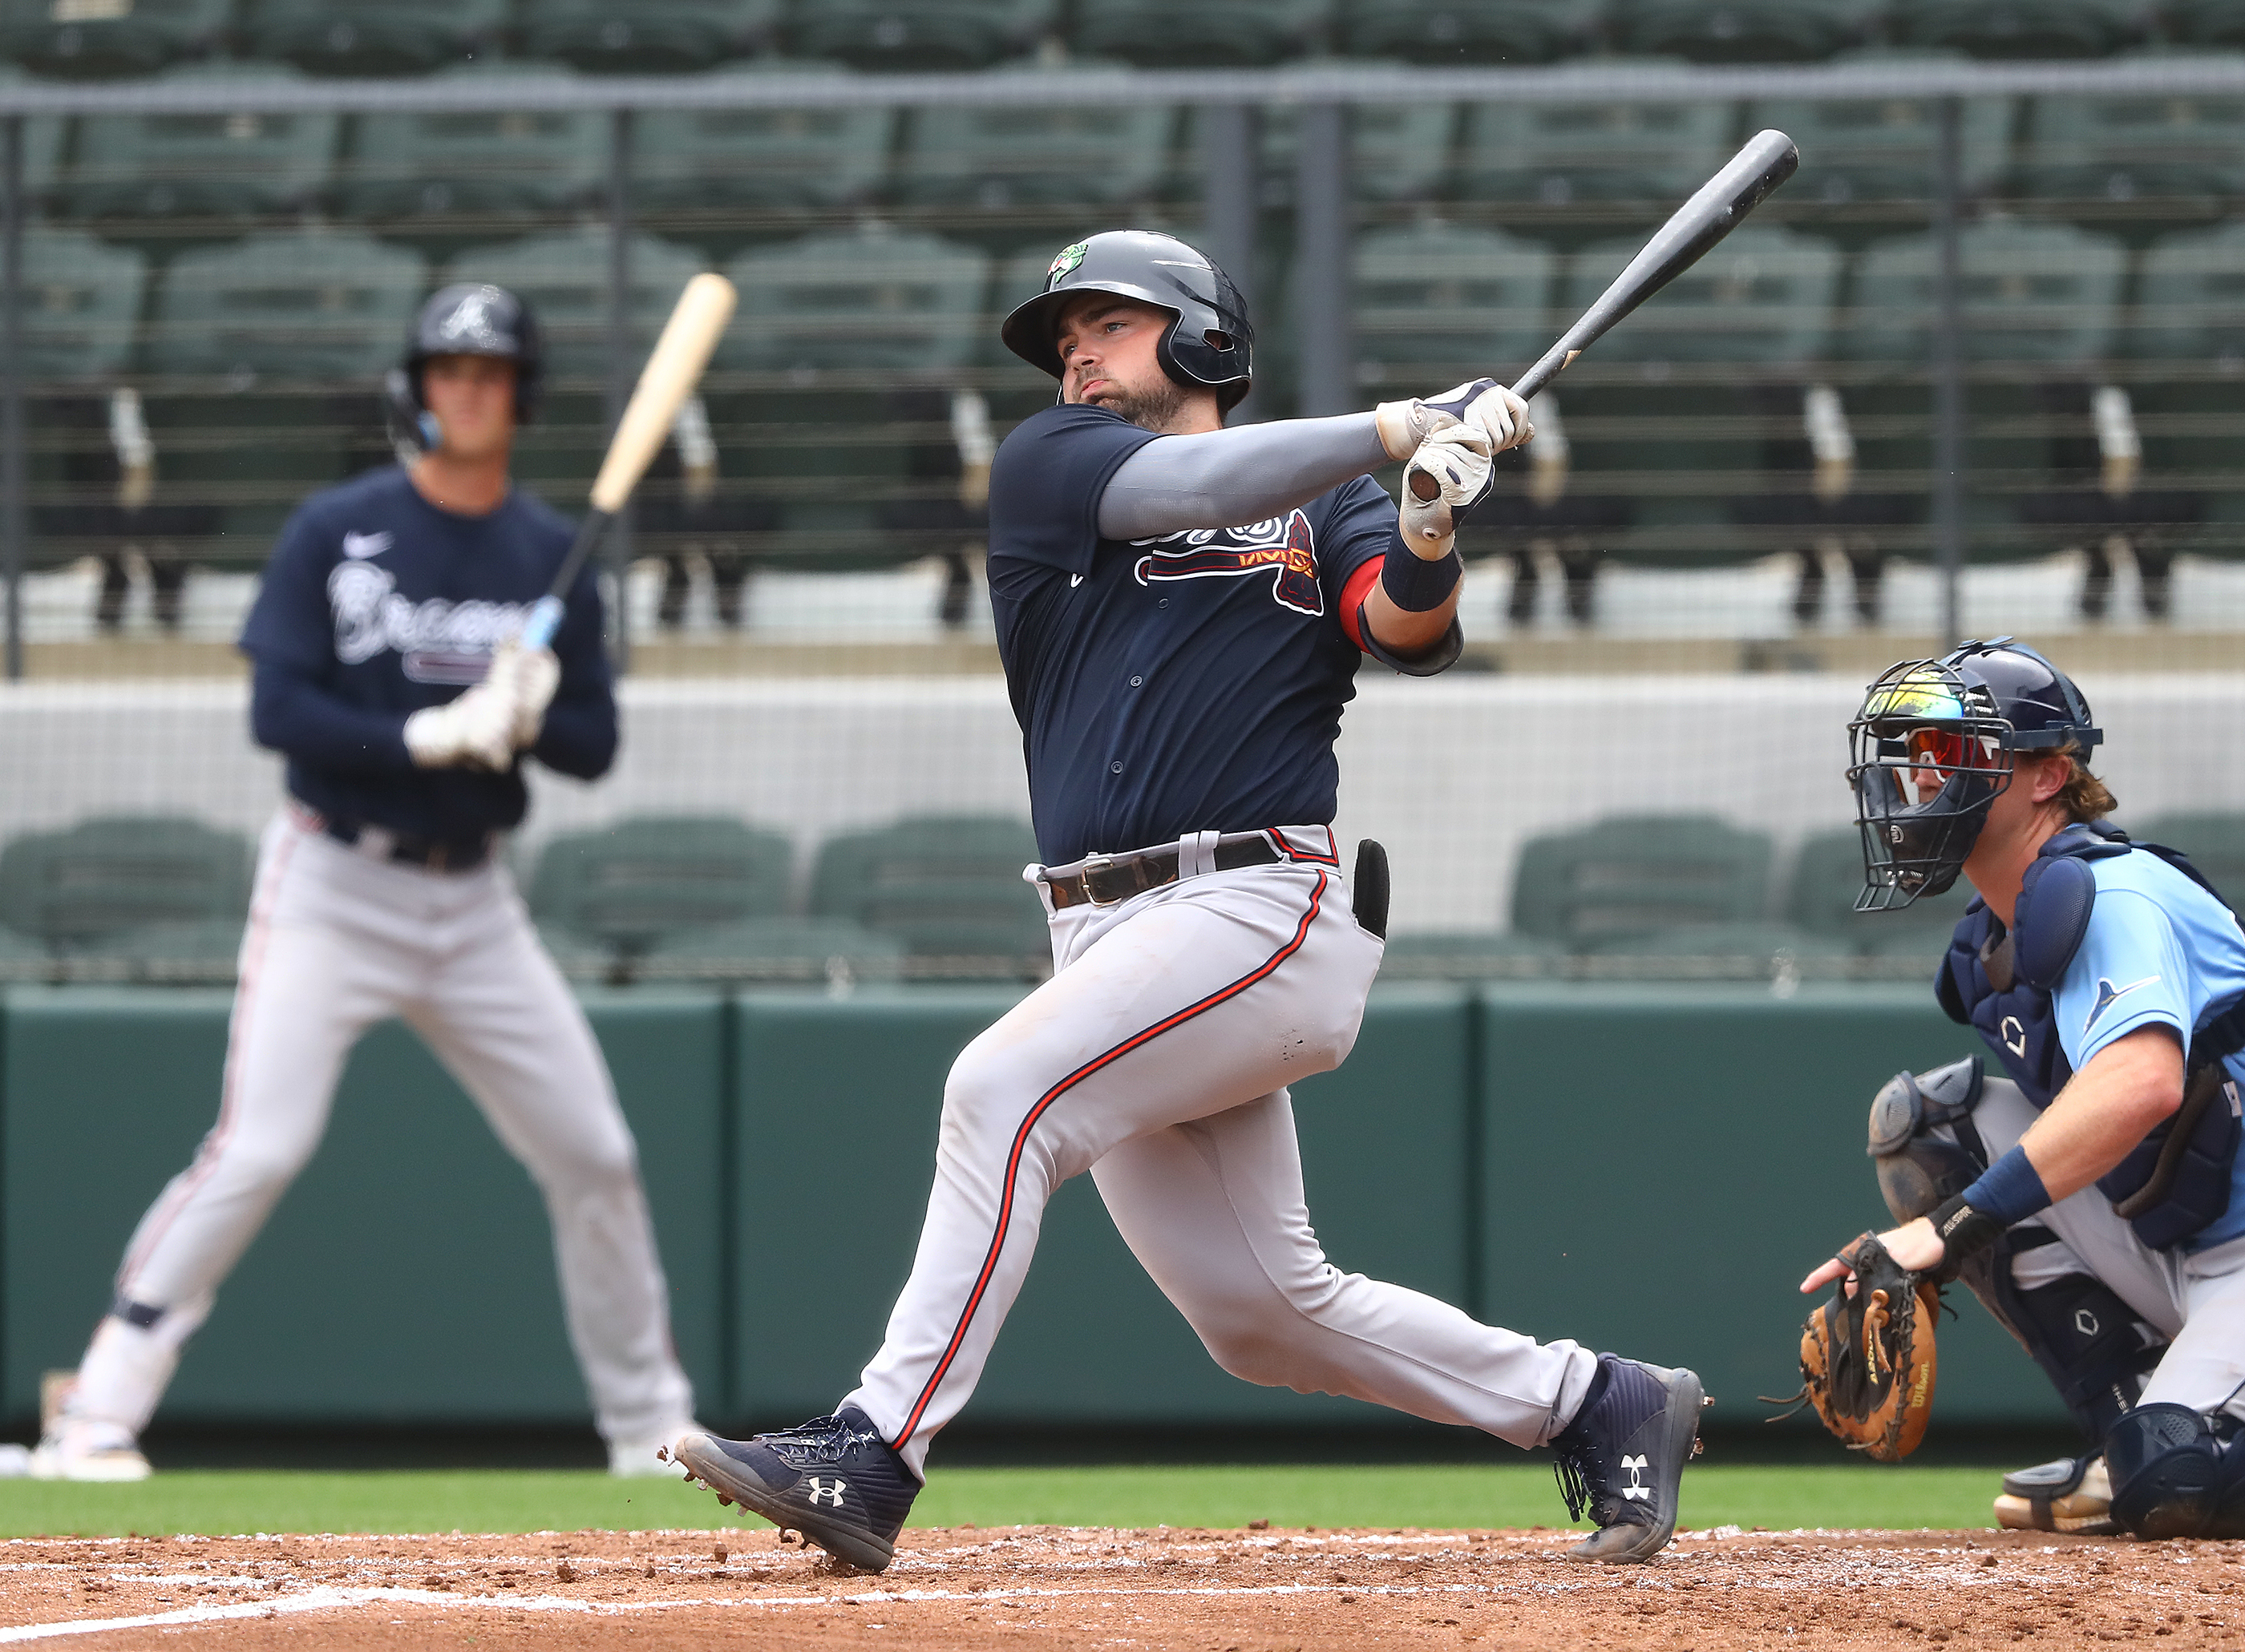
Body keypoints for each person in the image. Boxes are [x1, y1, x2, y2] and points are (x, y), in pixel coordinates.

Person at [667, 230, 1705, 1571]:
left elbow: (1408, 628)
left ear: (1208, 340)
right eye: (1066, 334)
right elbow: (1188, 482)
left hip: (1264, 903)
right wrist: (1398, 424)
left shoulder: (1327, 505)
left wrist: (1432, 510)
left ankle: (876, 1447)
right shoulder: (1056, 463)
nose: (1078, 352)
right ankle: (1595, 1399)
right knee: (1261, 1311)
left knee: (1003, 1091)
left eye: (1111, 322)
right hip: (1103, 922)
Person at [26, 285, 696, 1481]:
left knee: (593, 1150)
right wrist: (425, 737)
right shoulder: (338, 529)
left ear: (523, 395)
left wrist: (529, 716)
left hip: (476, 903)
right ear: (418, 385)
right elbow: (277, 708)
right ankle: (94, 1417)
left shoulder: (553, 554)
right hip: (335, 881)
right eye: (448, 369)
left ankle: (649, 1429)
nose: (469, 389)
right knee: (259, 1146)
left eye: (490, 372)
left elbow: (593, 746)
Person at [1803, 638, 2245, 1539]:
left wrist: (1947, 1229)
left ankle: (2170, 1447)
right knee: (1932, 1125)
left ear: (2046, 776)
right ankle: (2132, 1428)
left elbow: (2141, 1085)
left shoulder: (2117, 895)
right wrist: (1937, 1219)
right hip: (2180, 1243)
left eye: (1948, 755)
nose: (1918, 783)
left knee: (2173, 1485)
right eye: (1914, 758)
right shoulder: (1996, 933)